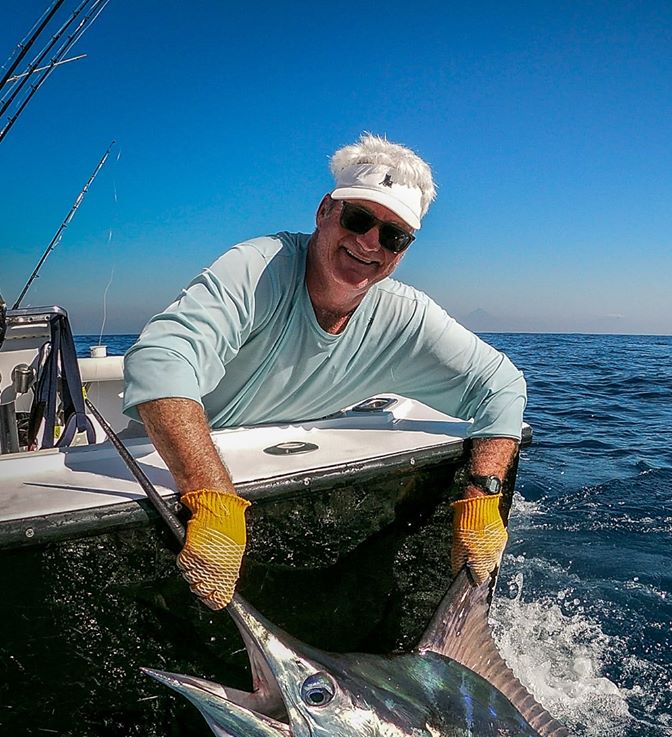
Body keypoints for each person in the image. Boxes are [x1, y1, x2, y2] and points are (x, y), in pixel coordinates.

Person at [122, 134, 526, 611]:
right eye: (358, 218)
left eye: (393, 236)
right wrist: (209, 495)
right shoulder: (259, 268)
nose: (370, 242)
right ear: (324, 211)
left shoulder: (405, 316)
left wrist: (483, 496)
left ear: (403, 251)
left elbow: (501, 384)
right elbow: (159, 358)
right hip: (172, 481)